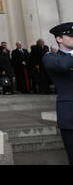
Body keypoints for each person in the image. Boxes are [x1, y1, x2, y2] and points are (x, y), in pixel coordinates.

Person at [43, 22, 73, 164]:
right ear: (59, 39)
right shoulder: (51, 57)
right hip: (70, 114)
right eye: (71, 36)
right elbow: (63, 65)